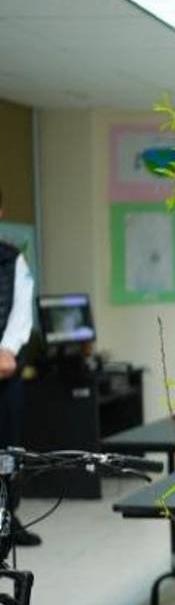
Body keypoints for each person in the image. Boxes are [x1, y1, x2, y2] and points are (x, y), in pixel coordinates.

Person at [0, 189, 37, 546]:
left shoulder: (14, 261)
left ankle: (8, 519)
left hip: (4, 370)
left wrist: (7, 350)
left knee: (9, 451)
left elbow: (21, 313)